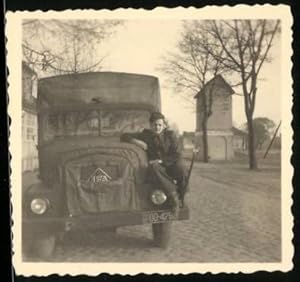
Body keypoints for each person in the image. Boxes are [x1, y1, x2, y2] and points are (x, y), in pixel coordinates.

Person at [120, 112, 187, 215]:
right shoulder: (145, 135)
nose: (157, 127)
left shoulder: (170, 135)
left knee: (181, 168)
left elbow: (176, 154)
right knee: (154, 167)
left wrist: (162, 161)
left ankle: (181, 197)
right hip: (158, 167)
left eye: (160, 125)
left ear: (164, 125)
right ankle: (174, 198)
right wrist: (137, 141)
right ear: (150, 125)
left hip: (170, 163)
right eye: (155, 125)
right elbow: (124, 136)